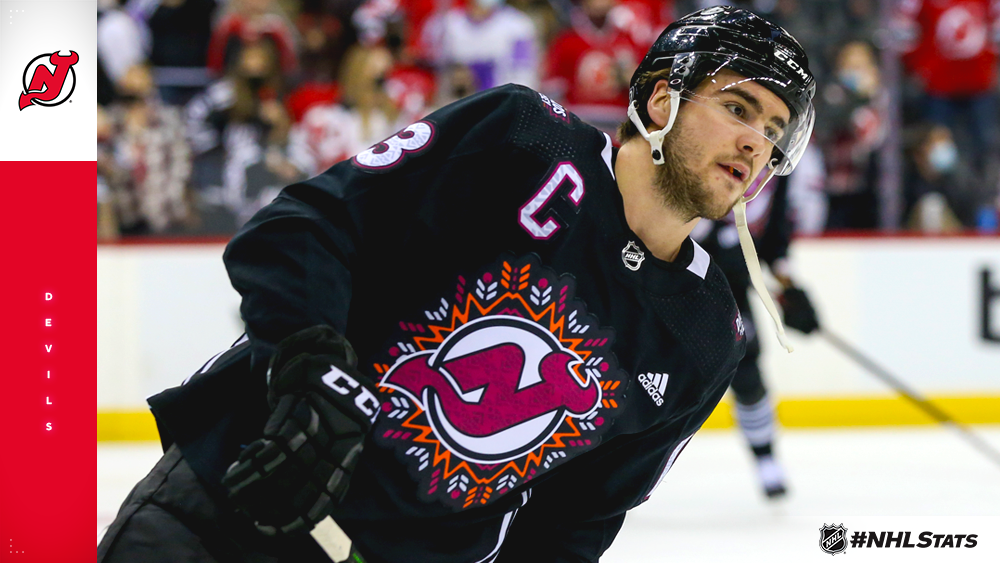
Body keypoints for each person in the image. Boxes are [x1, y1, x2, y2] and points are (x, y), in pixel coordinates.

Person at [98, 6, 816, 562]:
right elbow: (303, 227)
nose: (758, 143)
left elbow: (575, 523)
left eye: (776, 130)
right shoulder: (523, 140)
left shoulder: (703, 333)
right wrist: (311, 366)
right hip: (225, 508)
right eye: (738, 108)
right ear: (662, 101)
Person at [691, 159, 822, 499]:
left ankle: (766, 460)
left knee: (746, 370)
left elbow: (774, 241)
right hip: (668, 273)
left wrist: (790, 291)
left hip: (729, 288)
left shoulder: (780, 171)